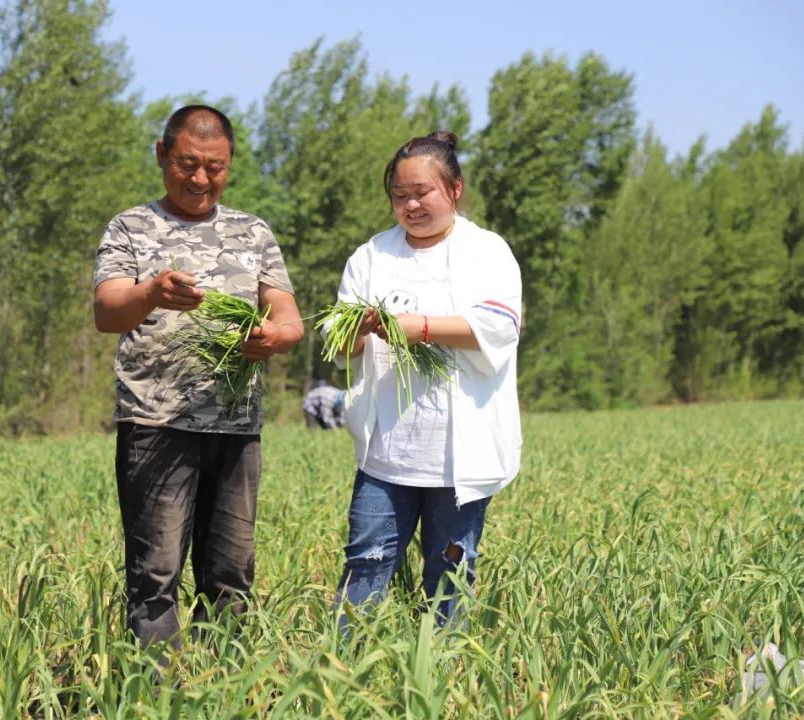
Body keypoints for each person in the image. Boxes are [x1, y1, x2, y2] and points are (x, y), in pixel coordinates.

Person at [93, 105, 303, 652]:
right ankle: (152, 697)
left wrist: (272, 338)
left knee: (231, 576)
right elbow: (107, 310)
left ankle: (224, 689)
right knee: (155, 575)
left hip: (236, 427)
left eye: (216, 167)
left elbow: (288, 318)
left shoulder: (252, 232)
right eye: (188, 164)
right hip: (155, 425)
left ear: (230, 164)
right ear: (163, 155)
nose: (201, 179)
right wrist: (152, 293)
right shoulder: (132, 226)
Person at [329, 131, 521, 629]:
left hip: (460, 456)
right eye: (400, 195)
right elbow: (339, 343)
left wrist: (420, 328)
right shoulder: (371, 257)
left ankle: (443, 678)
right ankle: (338, 671)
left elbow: (500, 327)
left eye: (422, 192)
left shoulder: (487, 251)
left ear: (454, 190)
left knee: (451, 571)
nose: (411, 204)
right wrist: (359, 328)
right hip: (386, 451)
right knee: (366, 562)